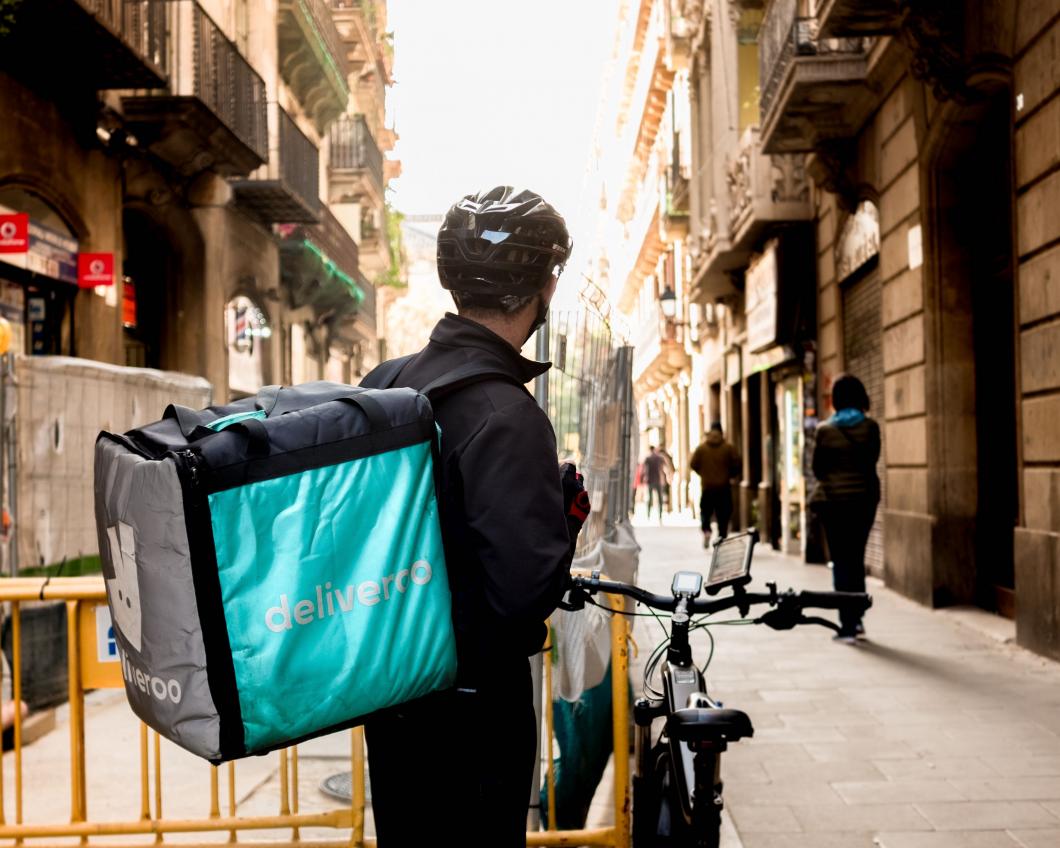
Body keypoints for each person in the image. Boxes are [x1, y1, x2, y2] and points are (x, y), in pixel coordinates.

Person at [359, 186, 589, 845]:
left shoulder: (385, 383)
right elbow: (524, 594)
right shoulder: (506, 413)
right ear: (543, 285)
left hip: (394, 697)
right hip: (474, 715)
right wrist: (563, 521)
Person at [810, 374, 880, 643]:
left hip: (834, 503)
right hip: (863, 502)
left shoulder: (824, 431)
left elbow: (818, 469)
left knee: (840, 561)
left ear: (836, 399)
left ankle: (847, 625)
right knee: (856, 558)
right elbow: (872, 461)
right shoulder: (871, 427)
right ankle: (858, 618)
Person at [690, 423, 741, 547]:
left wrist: (703, 473)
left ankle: (707, 530)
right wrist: (729, 475)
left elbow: (693, 464)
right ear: (721, 432)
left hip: (707, 487)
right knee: (723, 515)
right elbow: (737, 464)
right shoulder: (728, 448)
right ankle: (721, 539)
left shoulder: (701, 448)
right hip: (723, 487)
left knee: (705, 512)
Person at [642, 446, 668, 523]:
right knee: (660, 499)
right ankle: (660, 516)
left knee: (650, 498)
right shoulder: (659, 458)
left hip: (650, 480)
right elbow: (665, 467)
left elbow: (644, 469)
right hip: (658, 480)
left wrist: (644, 478)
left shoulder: (648, 458)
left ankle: (648, 515)